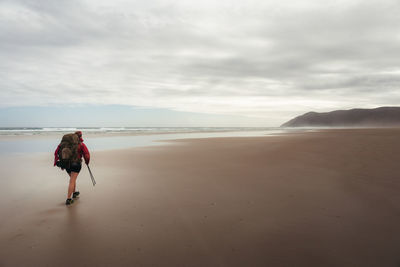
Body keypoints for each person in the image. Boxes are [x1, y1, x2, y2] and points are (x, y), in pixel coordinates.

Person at [54, 131, 90, 205]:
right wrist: (87, 162)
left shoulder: (64, 145)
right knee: (72, 180)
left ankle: (74, 193)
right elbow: (87, 154)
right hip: (76, 164)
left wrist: (57, 162)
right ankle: (68, 199)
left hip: (67, 164)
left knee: (72, 179)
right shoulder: (81, 144)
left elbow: (56, 152)